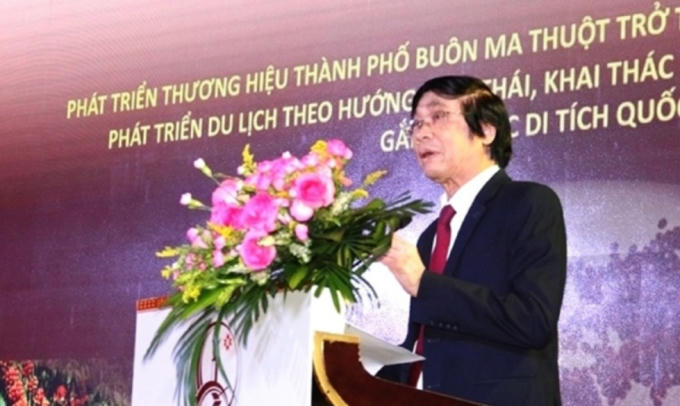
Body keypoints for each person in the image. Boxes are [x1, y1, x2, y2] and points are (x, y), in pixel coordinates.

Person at [378, 75, 566, 406]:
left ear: (486, 131)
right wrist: (344, 364)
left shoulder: (529, 203)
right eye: (417, 123)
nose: (421, 133)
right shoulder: (431, 235)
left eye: (438, 116)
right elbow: (427, 345)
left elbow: (532, 320)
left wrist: (424, 284)